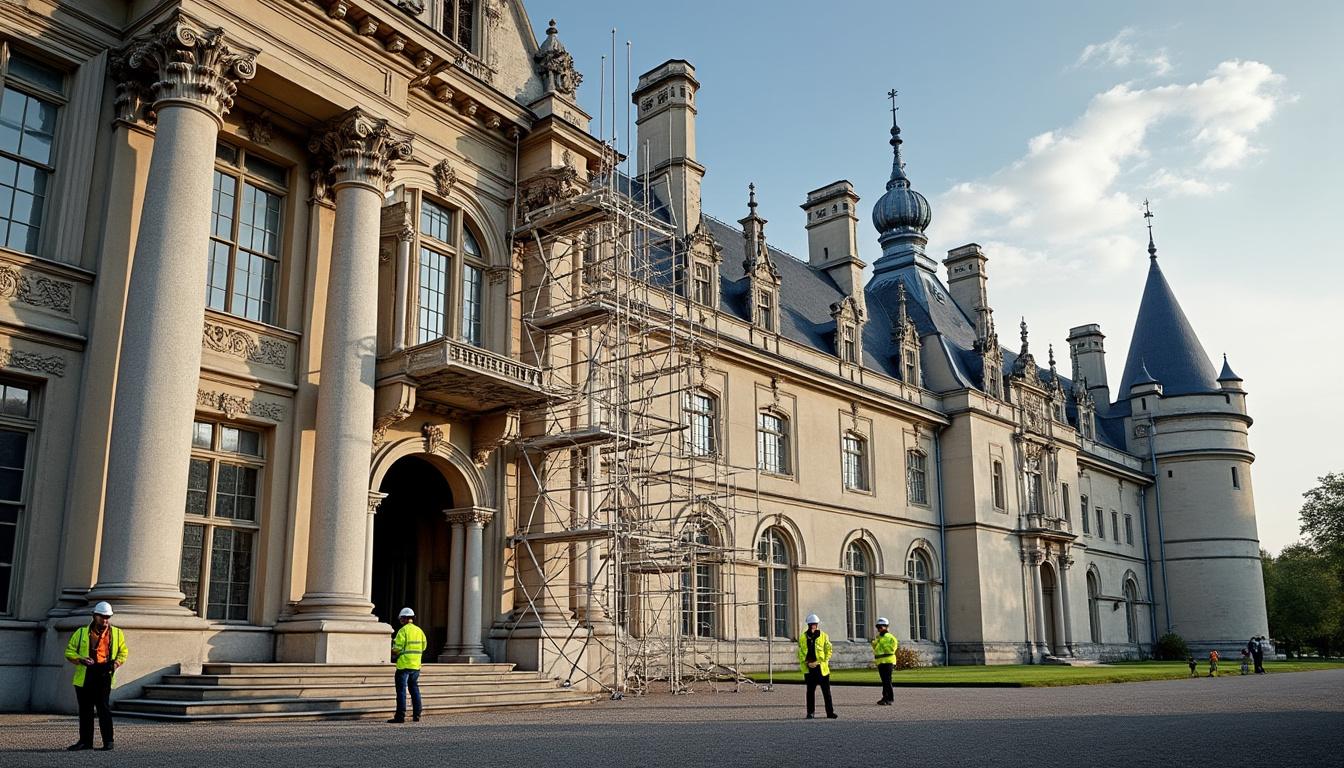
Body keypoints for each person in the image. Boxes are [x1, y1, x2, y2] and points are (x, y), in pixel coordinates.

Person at [64, 601, 127, 751]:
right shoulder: (80, 633)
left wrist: (116, 664)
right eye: (102, 617)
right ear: (94, 616)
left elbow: (123, 652)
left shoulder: (117, 633)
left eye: (107, 617)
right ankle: (85, 742)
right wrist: (80, 659)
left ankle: (108, 741)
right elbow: (69, 651)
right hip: (86, 673)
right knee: (85, 710)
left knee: (103, 708)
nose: (105, 620)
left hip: (104, 673)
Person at [388, 607, 427, 723]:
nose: (401, 621)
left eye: (401, 619)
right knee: (414, 689)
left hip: (404, 665)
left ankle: (400, 716)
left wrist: (391, 651)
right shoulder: (419, 631)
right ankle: (417, 714)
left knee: (401, 691)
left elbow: (397, 648)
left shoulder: (403, 631)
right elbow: (424, 646)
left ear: (404, 619)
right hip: (415, 666)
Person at [797, 613, 837, 720]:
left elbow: (829, 650)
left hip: (821, 668)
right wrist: (807, 662)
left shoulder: (824, 636)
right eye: (811, 624)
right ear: (808, 625)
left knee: (826, 692)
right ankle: (810, 713)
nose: (813, 626)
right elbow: (800, 652)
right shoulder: (803, 637)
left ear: (817, 624)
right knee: (810, 692)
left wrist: (820, 661)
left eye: (814, 624)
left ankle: (830, 712)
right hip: (809, 668)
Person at [870, 617, 897, 706]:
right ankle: (885, 697)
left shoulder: (890, 637)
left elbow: (891, 648)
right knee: (884, 681)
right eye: (878, 627)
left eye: (881, 627)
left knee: (887, 681)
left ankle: (889, 698)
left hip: (888, 661)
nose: (879, 629)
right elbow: (876, 648)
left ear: (886, 627)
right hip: (880, 661)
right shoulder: (879, 637)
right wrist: (875, 643)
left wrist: (878, 643)